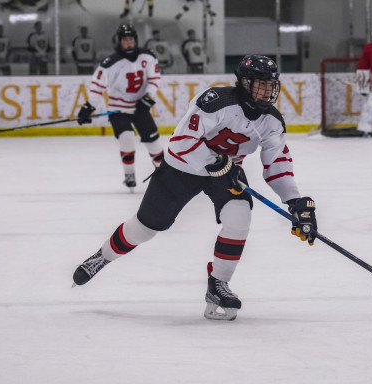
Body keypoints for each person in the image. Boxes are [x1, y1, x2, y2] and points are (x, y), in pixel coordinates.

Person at [72, 54, 318, 321]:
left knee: (239, 215)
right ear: (244, 83)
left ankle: (218, 285)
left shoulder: (272, 121)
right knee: (145, 229)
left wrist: (295, 201)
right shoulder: (217, 101)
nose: (267, 90)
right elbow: (181, 141)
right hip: (182, 167)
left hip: (226, 172)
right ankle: (103, 256)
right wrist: (212, 162)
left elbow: (278, 164)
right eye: (261, 83)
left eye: (271, 84)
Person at [77, 24, 164, 191]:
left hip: (140, 107)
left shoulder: (148, 56)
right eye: (125, 40)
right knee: (126, 138)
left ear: (135, 40)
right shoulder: (110, 63)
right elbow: (97, 86)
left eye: (131, 39)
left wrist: (147, 99)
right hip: (119, 109)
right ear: (119, 42)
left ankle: (165, 173)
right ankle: (129, 174)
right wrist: (89, 106)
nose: (129, 43)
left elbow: (155, 79)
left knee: (153, 143)